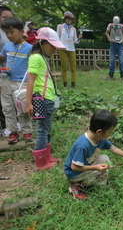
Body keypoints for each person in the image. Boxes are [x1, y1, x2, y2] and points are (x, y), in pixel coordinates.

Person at [64, 109, 123, 200]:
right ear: (99, 132)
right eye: (110, 132)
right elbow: (74, 167)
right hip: (74, 173)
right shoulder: (83, 145)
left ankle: (88, 178)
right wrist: (96, 168)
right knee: (103, 174)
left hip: (86, 163)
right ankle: (77, 185)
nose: (110, 135)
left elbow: (114, 149)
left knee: (105, 159)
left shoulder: (100, 138)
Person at [26, 27, 66, 171]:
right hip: (41, 99)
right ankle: (41, 162)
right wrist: (28, 102)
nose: (54, 50)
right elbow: (30, 81)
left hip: (48, 99)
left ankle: (47, 157)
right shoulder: (36, 57)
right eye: (52, 46)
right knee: (42, 130)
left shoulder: (43, 58)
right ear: (42, 43)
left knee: (47, 129)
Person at [0, 17, 33, 144]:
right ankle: (12, 131)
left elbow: (32, 66)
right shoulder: (7, 46)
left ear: (21, 31)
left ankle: (26, 132)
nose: (9, 35)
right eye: (6, 32)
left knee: (22, 108)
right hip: (6, 80)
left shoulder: (29, 48)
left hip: (22, 82)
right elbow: (4, 58)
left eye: (12, 32)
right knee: (7, 107)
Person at [57, 11, 82, 88]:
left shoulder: (73, 29)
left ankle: (73, 82)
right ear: (65, 19)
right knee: (64, 67)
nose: (69, 20)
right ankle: (64, 82)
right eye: (67, 18)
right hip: (63, 48)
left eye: (70, 19)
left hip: (71, 49)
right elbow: (57, 37)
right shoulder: (60, 27)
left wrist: (79, 38)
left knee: (73, 67)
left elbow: (75, 41)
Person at [0, 6, 14, 137]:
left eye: (10, 18)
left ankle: (9, 126)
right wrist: (9, 54)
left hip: (6, 73)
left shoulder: (8, 32)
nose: (7, 21)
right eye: (5, 17)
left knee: (7, 98)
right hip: (2, 70)